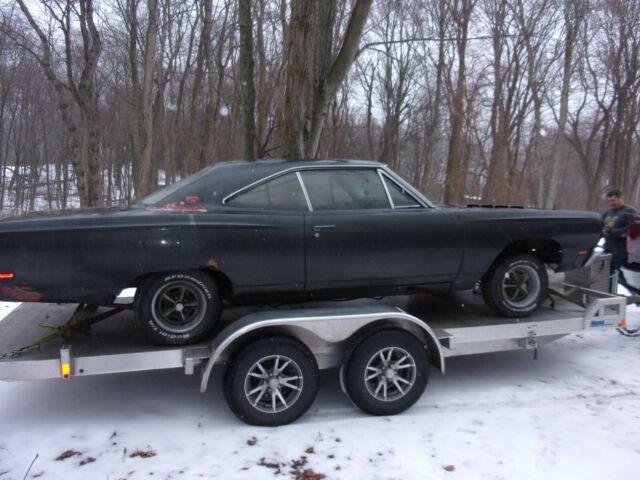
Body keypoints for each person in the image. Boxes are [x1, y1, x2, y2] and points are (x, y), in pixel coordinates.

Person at [602, 189, 637, 284]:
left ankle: (634, 295)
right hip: (608, 249)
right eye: (609, 201)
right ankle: (608, 295)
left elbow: (633, 230)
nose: (611, 203)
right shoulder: (608, 213)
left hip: (622, 252)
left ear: (621, 198)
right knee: (606, 278)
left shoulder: (630, 212)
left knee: (621, 279)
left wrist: (613, 232)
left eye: (613, 200)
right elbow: (601, 226)